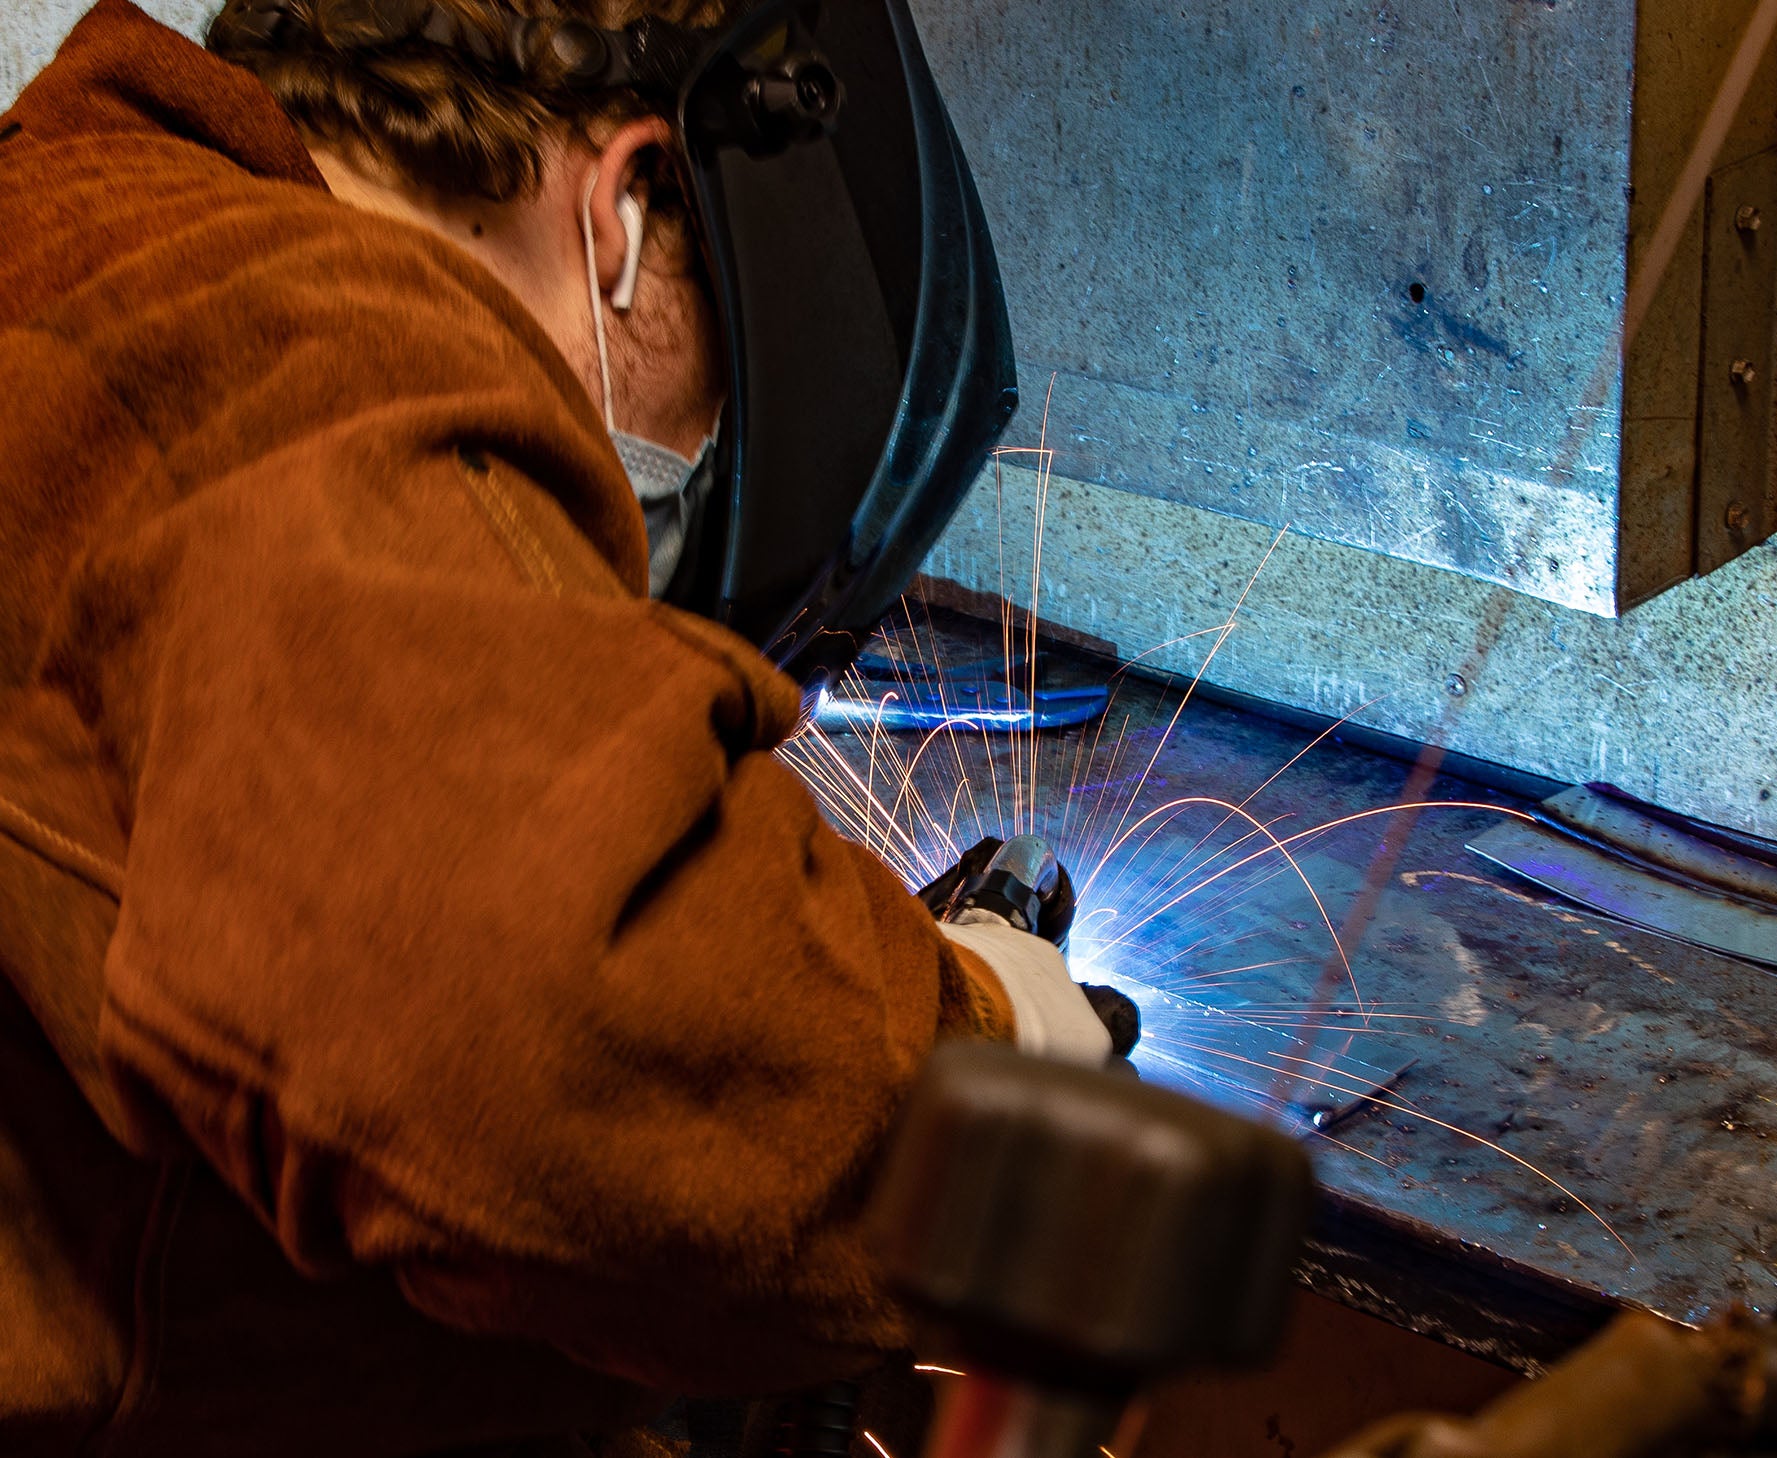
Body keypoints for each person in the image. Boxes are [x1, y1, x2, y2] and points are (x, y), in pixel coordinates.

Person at [0, 0, 1108, 1450]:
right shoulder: (279, 350)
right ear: (625, 215)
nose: (677, 478)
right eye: (710, 402)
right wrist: (979, 1048)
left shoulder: (76, 227)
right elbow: (555, 1003)